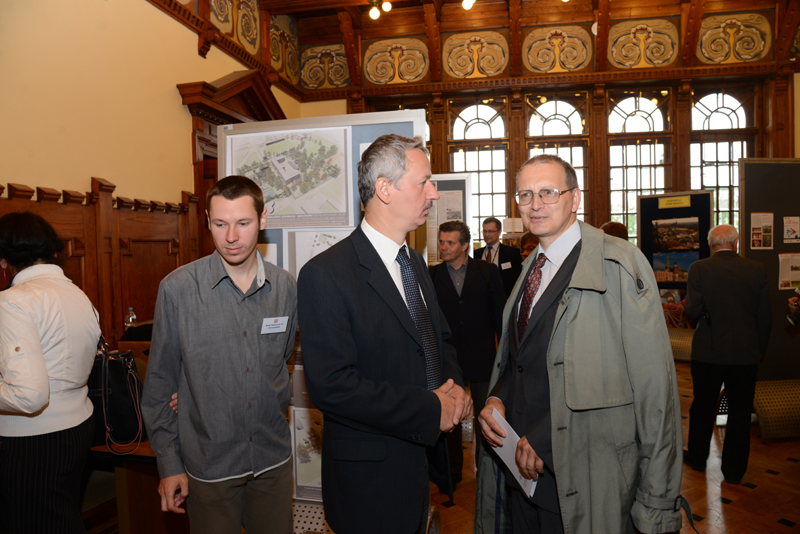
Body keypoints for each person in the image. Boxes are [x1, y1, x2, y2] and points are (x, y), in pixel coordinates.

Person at [476, 154, 683, 533]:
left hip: (582, 475)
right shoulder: (530, 267)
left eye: (548, 192)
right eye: (525, 194)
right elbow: (520, 359)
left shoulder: (618, 265)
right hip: (520, 474)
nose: (535, 204)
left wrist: (658, 498)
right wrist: (497, 398)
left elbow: (653, 388)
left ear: (576, 198)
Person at [297, 134, 471, 534]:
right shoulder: (326, 274)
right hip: (370, 485)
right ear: (384, 189)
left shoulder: (414, 262)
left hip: (420, 466)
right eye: (423, 182)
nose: (433, 193)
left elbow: (439, 342)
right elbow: (331, 386)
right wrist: (431, 408)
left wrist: (455, 388)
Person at [142, 176, 298, 534]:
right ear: (207, 222)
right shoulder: (178, 289)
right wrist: (169, 464)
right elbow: (159, 384)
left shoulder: (286, 287)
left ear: (262, 220)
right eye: (220, 224)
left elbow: (281, 360)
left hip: (272, 460)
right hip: (209, 466)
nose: (231, 236)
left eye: (243, 223)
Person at [0, 211, 101, 534]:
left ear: (4, 261)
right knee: (60, 519)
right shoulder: (75, 292)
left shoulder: (13, 302)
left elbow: (28, 396)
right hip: (78, 425)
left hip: (34, 438)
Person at [683, 224, 771, 484]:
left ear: (711, 245)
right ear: (736, 243)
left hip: (708, 352)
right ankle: (733, 472)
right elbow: (764, 317)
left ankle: (698, 458)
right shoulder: (756, 269)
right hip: (745, 353)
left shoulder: (699, 269)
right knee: (740, 412)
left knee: (703, 407)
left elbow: (691, 310)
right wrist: (758, 350)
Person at [430, 220, 506, 477]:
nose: (444, 247)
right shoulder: (432, 275)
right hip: (448, 359)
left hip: (483, 357)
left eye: (450, 242)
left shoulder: (486, 272)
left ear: (464, 245)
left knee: (486, 415)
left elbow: (500, 316)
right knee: (450, 414)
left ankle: (486, 470)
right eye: (441, 241)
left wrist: (504, 356)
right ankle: (452, 472)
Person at [474, 216, 523, 297]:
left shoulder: (512, 253)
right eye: (485, 231)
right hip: (481, 298)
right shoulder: (476, 254)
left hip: (504, 298)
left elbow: (518, 279)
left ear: (499, 232)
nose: (486, 234)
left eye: (490, 231)